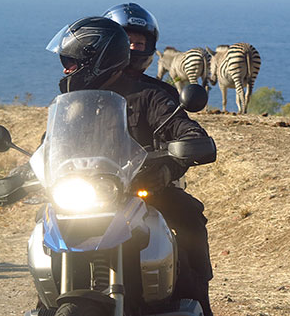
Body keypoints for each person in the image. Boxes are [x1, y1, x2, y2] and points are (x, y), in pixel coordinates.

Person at [46, 16, 214, 316]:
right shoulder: (71, 104)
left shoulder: (151, 94)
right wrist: (24, 173)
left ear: (96, 59)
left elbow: (187, 132)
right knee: (44, 222)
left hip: (143, 191)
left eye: (70, 62)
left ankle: (197, 302)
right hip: (85, 196)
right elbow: (48, 147)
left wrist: (168, 166)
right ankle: (45, 303)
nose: (65, 69)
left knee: (186, 217)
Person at [102, 3, 180, 102]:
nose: (133, 47)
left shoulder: (162, 92)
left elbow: (169, 113)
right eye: (127, 42)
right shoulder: (92, 85)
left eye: (139, 43)